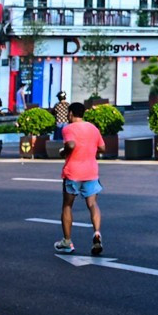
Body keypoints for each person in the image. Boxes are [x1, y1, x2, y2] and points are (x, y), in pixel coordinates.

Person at [55, 100, 105, 257]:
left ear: (70, 114)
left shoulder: (68, 128)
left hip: (73, 173)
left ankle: (67, 241)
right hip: (91, 171)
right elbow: (102, 148)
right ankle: (97, 233)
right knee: (92, 204)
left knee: (67, 206)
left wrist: (63, 152)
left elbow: (70, 145)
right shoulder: (93, 128)